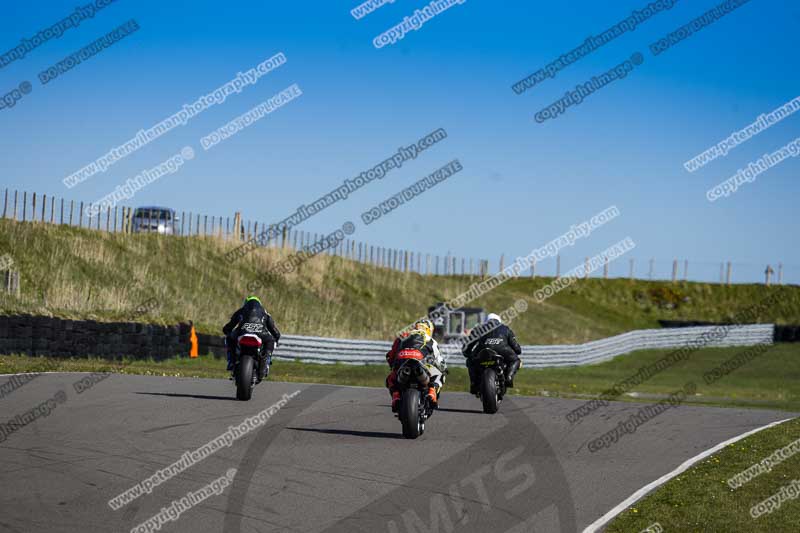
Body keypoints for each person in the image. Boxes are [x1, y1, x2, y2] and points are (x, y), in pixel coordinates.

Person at [386, 319, 444, 412]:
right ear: (429, 330)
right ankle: (432, 392)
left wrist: (393, 366)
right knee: (439, 375)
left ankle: (396, 396)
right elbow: (439, 360)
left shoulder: (401, 337)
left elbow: (390, 356)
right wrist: (442, 368)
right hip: (422, 364)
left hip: (403, 363)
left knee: (391, 378)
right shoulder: (431, 340)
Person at [222, 296, 281, 382]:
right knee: (270, 340)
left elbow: (230, 325)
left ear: (246, 303)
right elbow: (273, 329)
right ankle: (266, 359)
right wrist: (276, 337)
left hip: (242, 332)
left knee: (229, 338)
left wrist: (226, 331)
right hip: (260, 334)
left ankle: (231, 361)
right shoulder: (265, 312)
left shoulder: (241, 311)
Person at [462, 312, 521, 394]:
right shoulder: (505, 328)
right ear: (499, 320)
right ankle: (509, 376)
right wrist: (517, 350)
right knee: (516, 360)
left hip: (483, 350)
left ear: (487, 321)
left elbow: (468, 344)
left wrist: (467, 353)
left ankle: (474, 383)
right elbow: (517, 348)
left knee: (470, 361)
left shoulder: (479, 328)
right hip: (503, 350)